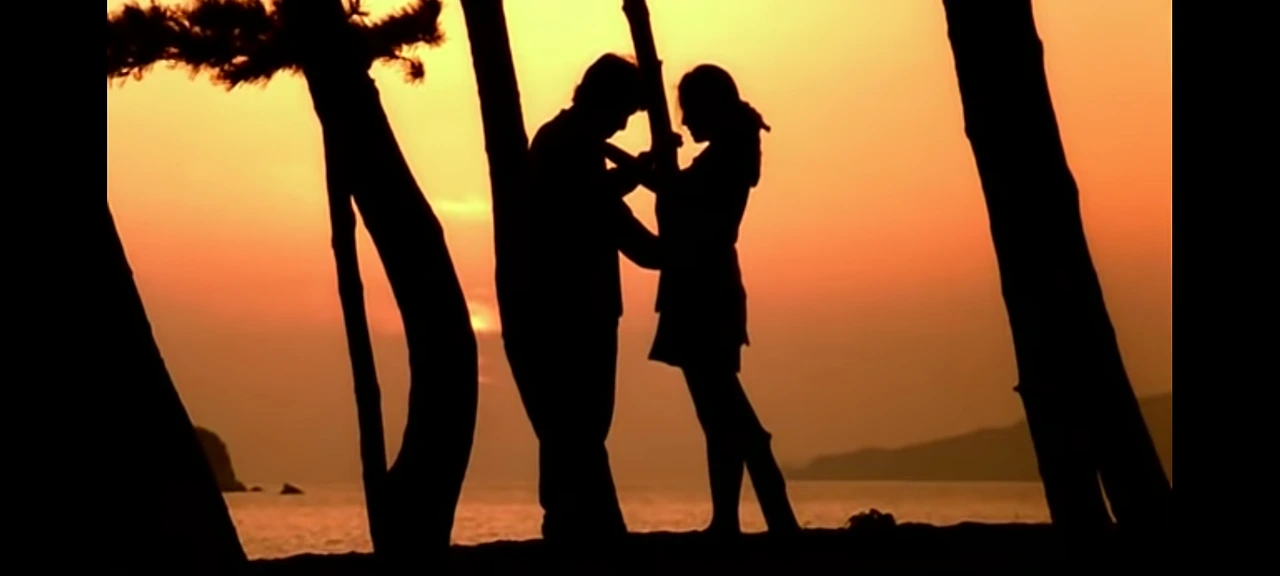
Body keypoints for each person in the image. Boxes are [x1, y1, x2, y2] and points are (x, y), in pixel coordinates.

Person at [613, 64, 800, 537]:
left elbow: (678, 191)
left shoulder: (726, 158)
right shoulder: (728, 154)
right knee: (717, 414)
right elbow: (677, 191)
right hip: (701, 287)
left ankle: (771, 518)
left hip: (704, 291)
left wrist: (627, 158)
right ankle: (730, 519)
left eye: (690, 110)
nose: (685, 120)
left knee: (726, 411)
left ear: (709, 108)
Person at [510, 53, 660, 544]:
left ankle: (575, 521)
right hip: (569, 306)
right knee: (578, 422)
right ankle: (579, 522)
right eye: (625, 111)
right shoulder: (563, 142)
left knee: (579, 424)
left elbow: (606, 209)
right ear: (606, 99)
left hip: (583, 305)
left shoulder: (574, 142)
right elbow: (591, 202)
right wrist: (641, 174)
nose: (624, 123)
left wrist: (657, 249)